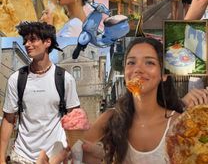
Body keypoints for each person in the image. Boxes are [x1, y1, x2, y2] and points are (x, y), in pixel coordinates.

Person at [80, 38, 184, 163]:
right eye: (131, 63)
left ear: (164, 74)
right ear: (124, 73)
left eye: (149, 63)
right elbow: (78, 153)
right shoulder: (110, 119)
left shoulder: (179, 124)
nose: (138, 69)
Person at [0, 21, 80, 164]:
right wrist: (1, 158)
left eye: (33, 39)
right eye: (25, 40)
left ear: (47, 42)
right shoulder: (16, 79)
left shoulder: (65, 79)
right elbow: (8, 119)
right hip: (21, 157)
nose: (27, 44)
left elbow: (74, 121)